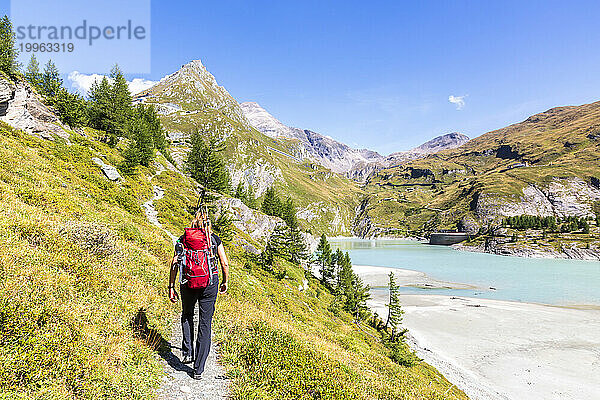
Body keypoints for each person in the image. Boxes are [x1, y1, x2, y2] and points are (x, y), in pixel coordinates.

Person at [167, 209, 229, 380]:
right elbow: (224, 263)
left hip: (187, 283)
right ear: (208, 224)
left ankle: (187, 352)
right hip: (209, 284)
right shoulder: (213, 239)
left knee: (187, 314)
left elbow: (174, 263)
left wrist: (171, 286)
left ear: (193, 223)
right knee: (205, 322)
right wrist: (224, 281)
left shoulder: (183, 238)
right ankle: (198, 369)